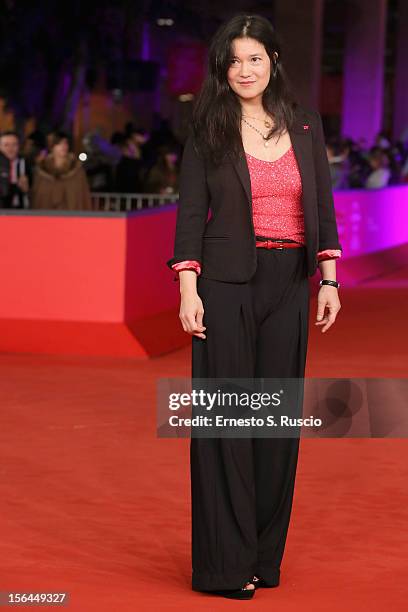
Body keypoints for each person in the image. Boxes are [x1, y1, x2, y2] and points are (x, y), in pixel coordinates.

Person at [166, 13, 342, 600]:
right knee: (226, 423)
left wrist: (328, 279)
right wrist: (188, 290)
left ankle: (265, 557)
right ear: (223, 67)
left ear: (273, 62)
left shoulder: (305, 125)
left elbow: (322, 207)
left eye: (255, 58)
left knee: (273, 426)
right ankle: (224, 565)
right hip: (225, 285)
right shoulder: (208, 128)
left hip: (289, 286)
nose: (245, 70)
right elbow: (191, 215)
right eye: (235, 60)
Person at [31, 131, 92, 210]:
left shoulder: (77, 170)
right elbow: (38, 197)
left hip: (71, 216)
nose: (63, 146)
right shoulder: (42, 171)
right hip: (47, 217)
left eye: (65, 143)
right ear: (52, 147)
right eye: (59, 143)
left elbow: (83, 195)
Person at [0, 130, 31, 208]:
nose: (10, 148)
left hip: (21, 210)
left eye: (14, 144)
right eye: (6, 145)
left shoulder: (26, 163)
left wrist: (27, 189)